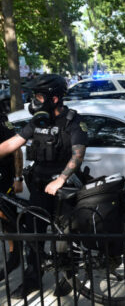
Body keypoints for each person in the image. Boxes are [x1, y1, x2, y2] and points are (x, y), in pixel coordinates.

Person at [0, 74, 88, 298]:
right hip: (39, 188)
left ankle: (69, 279)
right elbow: (13, 143)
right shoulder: (38, 121)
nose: (35, 101)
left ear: (55, 98)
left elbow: (78, 155)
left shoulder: (72, 121)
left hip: (63, 189)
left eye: (39, 96)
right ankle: (33, 280)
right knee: (34, 238)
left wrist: (60, 179)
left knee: (66, 238)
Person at [0, 112, 23, 282]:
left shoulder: (2, 122)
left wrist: (17, 178)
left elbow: (17, 149)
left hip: (4, 178)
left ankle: (14, 255)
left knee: (7, 219)